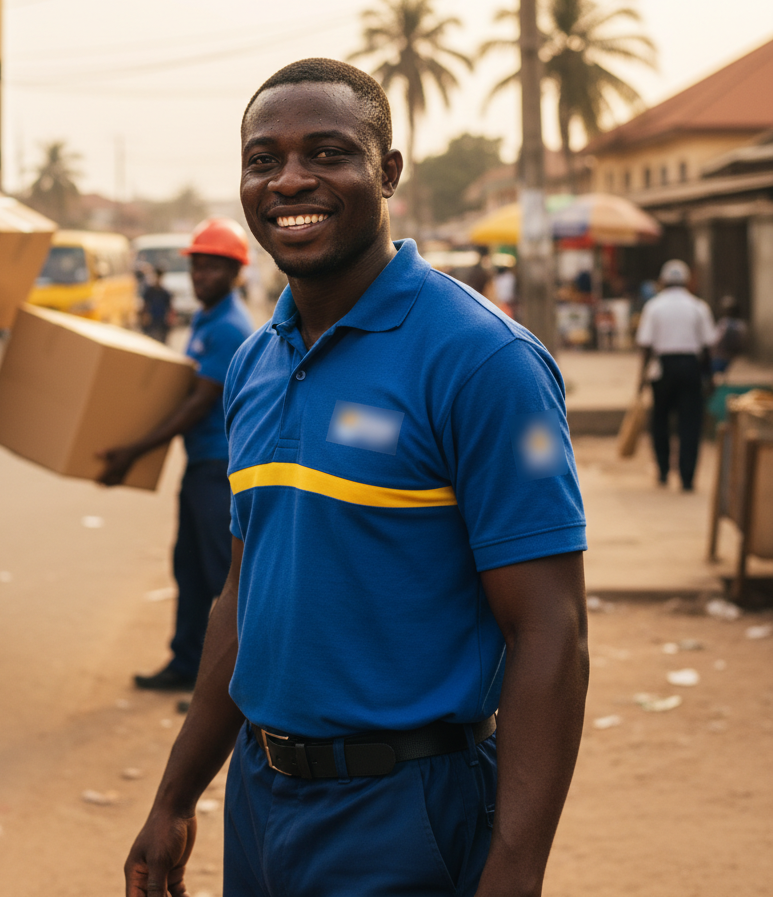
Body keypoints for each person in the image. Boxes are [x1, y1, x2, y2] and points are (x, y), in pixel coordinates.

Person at [123, 59, 589, 897]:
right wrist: (176, 797)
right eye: (263, 159)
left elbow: (550, 630)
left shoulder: (487, 362)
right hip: (262, 802)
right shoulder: (256, 365)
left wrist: (515, 872)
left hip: (407, 809)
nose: (291, 179)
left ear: (388, 172)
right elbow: (242, 599)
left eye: (327, 153)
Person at [100, 219, 253, 692]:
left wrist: (133, 450)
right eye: (197, 267)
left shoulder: (228, 326)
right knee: (187, 568)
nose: (201, 276)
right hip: (200, 464)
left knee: (219, 579)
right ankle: (186, 664)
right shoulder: (208, 319)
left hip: (219, 467)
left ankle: (228, 690)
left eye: (212, 268)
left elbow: (197, 403)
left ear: (235, 273)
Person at [636, 259, 717, 491]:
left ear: (663, 282)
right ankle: (687, 477)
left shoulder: (654, 306)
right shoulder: (698, 306)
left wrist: (640, 379)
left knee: (660, 420)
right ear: (687, 282)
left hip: (663, 369)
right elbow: (707, 347)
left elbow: (646, 346)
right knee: (690, 423)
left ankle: (662, 471)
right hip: (690, 367)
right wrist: (709, 377)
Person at [711, 295, 748, 375]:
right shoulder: (739, 325)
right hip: (726, 356)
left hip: (724, 357)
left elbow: (716, 340)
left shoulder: (727, 324)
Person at [141, 267, 173, 343]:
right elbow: (145, 306)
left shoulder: (165, 293)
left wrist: (169, 321)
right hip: (151, 322)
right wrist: (145, 317)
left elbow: (169, 308)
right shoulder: (150, 292)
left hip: (161, 323)